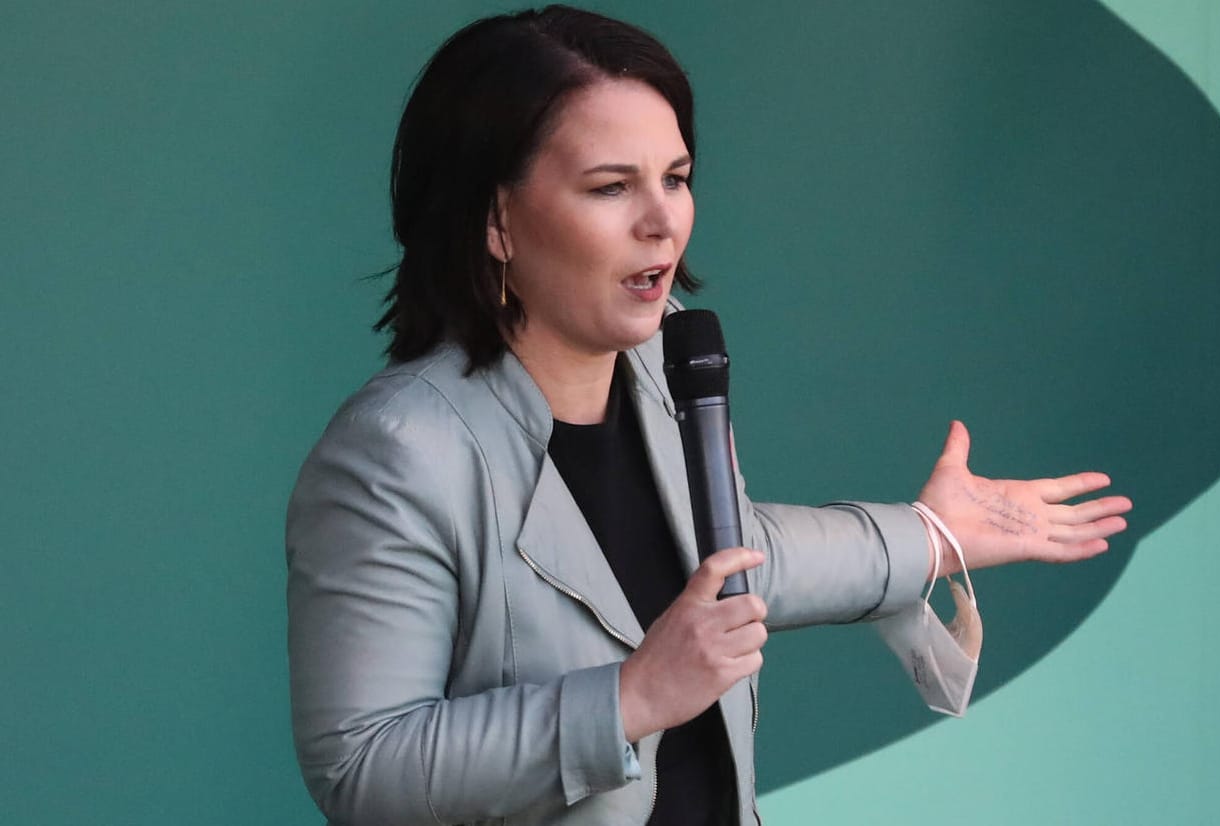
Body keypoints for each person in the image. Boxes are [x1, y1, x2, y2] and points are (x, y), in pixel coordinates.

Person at [285, 6, 1132, 825]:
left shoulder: (664, 373)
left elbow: (728, 561)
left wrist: (929, 535)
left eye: (677, 179)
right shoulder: (399, 450)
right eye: (611, 187)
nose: (662, 223)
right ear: (497, 221)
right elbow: (361, 764)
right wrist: (628, 700)